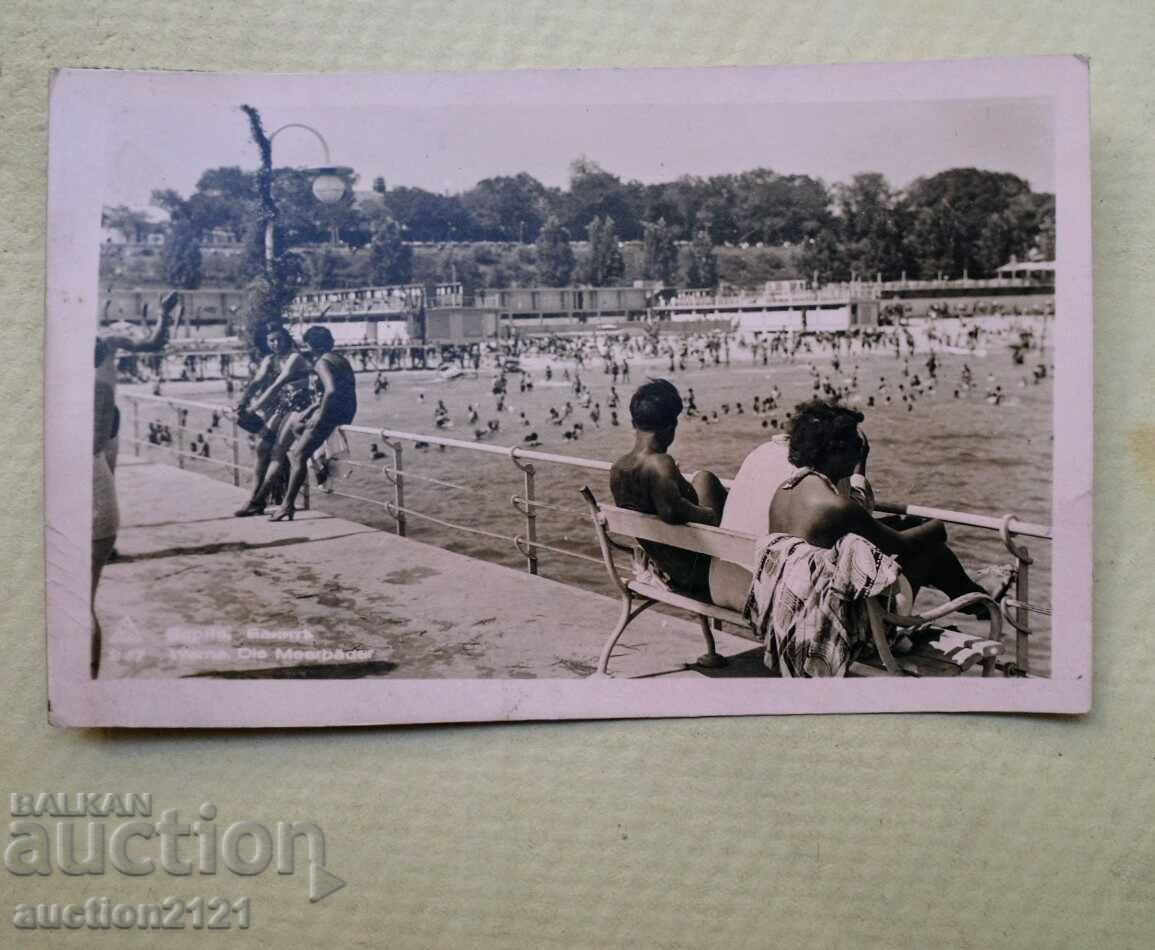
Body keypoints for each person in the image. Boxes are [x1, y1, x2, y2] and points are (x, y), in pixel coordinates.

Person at [750, 400, 992, 676]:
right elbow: (901, 545)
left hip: (794, 620)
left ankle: (975, 596)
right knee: (931, 550)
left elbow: (857, 528)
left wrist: (859, 465)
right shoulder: (835, 507)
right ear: (835, 449)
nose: (859, 448)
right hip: (833, 632)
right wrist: (938, 526)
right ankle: (979, 600)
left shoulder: (787, 490)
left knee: (908, 527)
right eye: (855, 444)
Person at [92, 290, 180, 678]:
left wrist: (164, 313)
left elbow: (154, 343)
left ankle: (102, 545)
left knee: (103, 479)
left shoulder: (106, 340)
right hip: (88, 421)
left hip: (103, 421)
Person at [609, 379, 727, 597]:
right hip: (700, 574)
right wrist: (710, 515)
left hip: (668, 569)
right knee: (706, 479)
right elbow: (671, 511)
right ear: (671, 426)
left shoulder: (617, 469)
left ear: (635, 423)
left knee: (701, 479)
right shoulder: (659, 463)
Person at [252, 326, 358, 522]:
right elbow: (335, 391)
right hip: (345, 411)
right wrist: (310, 411)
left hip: (332, 413)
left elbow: (331, 390)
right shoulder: (339, 359)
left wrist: (320, 415)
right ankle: (312, 473)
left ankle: (287, 505)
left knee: (297, 454)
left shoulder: (321, 363)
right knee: (298, 428)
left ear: (310, 345)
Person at [232, 325, 311, 517]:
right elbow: (257, 381)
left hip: (297, 409)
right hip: (279, 407)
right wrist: (242, 402)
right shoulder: (270, 359)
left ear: (287, 339)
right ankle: (255, 498)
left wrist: (254, 407)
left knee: (277, 452)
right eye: (271, 341)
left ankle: (257, 501)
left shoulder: (295, 358)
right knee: (261, 449)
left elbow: (277, 385)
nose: (275, 344)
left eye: (279, 339)